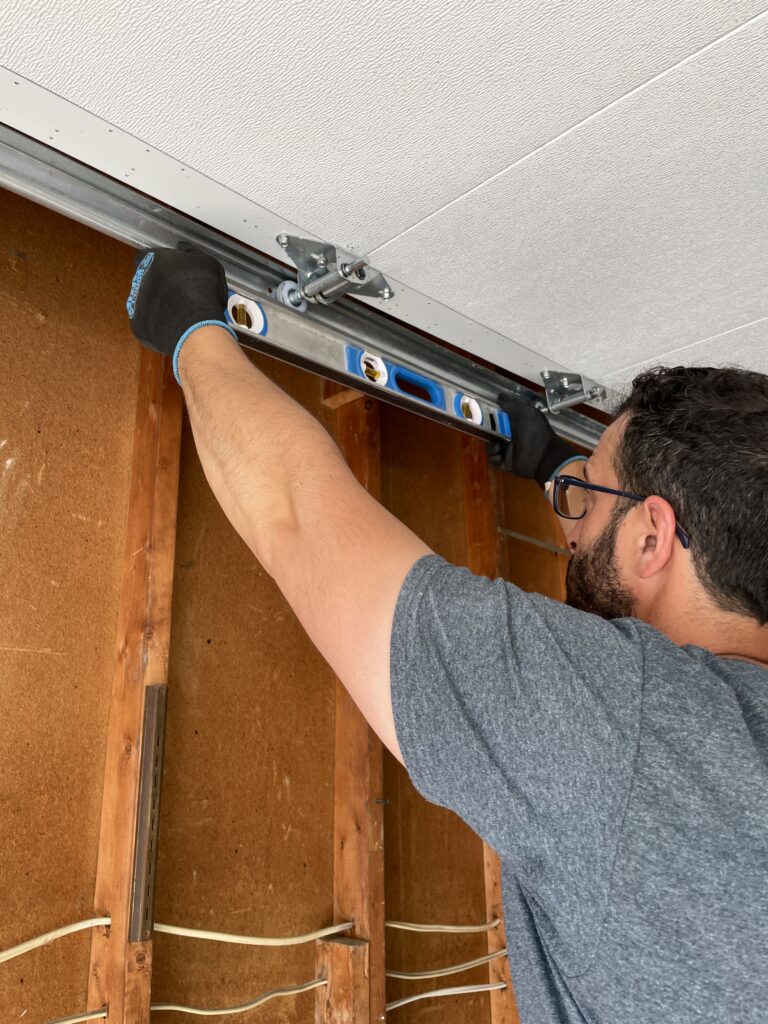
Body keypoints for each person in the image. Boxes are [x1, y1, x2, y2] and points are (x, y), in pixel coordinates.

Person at [127, 244, 768, 1024]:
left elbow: (300, 518)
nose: (570, 528)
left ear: (652, 539)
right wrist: (564, 474)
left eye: (586, 500)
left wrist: (191, 330)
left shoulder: (631, 730)